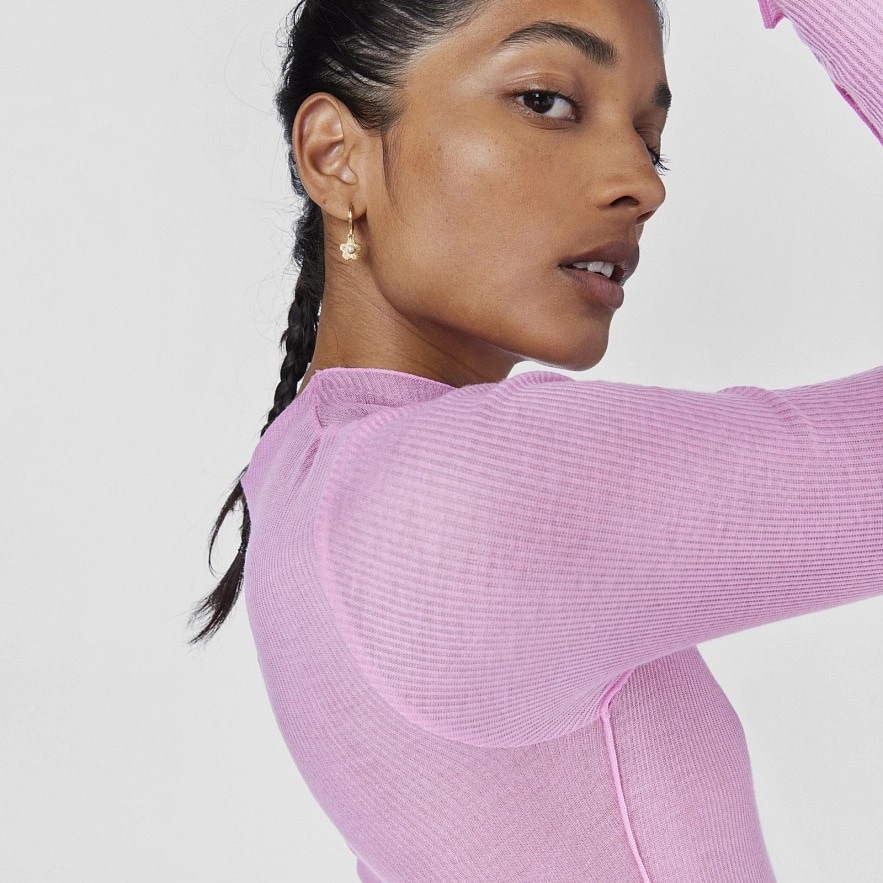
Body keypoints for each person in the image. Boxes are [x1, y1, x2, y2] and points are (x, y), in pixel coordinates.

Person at [188, 0, 882, 879]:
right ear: (335, 156)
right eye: (546, 101)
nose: (642, 183)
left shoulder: (303, 472)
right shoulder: (449, 497)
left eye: (649, 138)